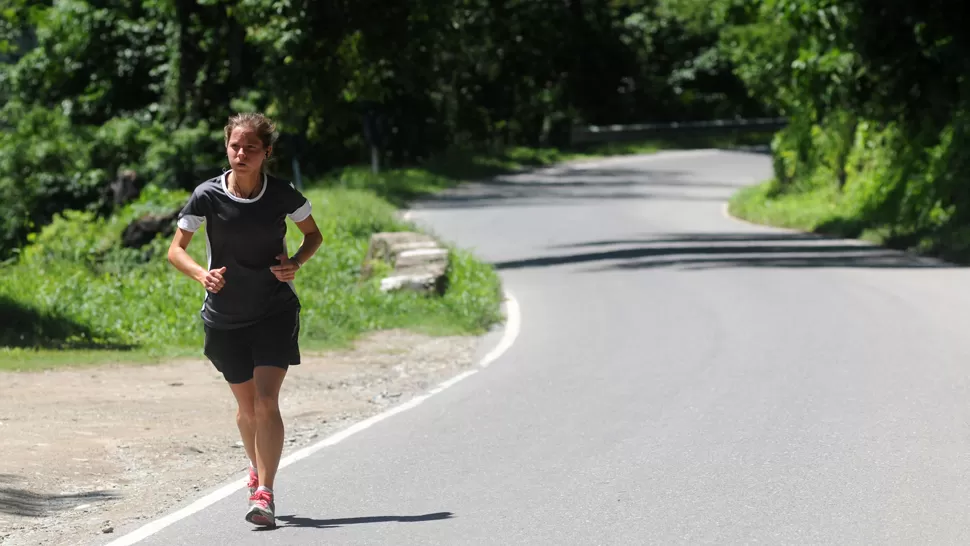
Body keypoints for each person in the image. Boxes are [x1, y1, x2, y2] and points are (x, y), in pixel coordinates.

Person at [167, 112, 323, 528]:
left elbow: (313, 235)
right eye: (235, 146)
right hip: (224, 315)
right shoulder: (207, 195)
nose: (241, 153)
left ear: (266, 152)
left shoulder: (282, 194)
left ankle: (265, 492)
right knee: (247, 406)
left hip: (274, 308)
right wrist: (202, 273)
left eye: (251, 148)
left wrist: (295, 263)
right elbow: (176, 250)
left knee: (266, 400)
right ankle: (255, 468)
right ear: (227, 148)